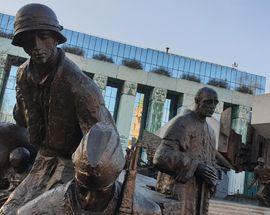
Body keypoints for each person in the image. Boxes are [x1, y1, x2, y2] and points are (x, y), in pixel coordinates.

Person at [0, 4, 114, 214]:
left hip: (72, 168)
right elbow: (23, 120)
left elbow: (102, 138)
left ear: (55, 37)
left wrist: (92, 184)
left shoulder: (79, 85)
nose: (36, 46)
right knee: (7, 211)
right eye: (27, 40)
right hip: (42, 161)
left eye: (43, 36)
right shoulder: (23, 74)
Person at [17, 122, 162, 215]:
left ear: (118, 173)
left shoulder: (145, 210)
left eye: (101, 191)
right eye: (82, 188)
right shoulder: (47, 207)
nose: (88, 199)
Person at [153, 87, 219, 215]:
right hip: (180, 191)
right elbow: (161, 156)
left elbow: (211, 163)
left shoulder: (211, 132)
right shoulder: (183, 122)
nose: (212, 106)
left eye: (215, 103)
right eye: (208, 102)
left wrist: (214, 178)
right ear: (197, 101)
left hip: (201, 194)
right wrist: (195, 166)